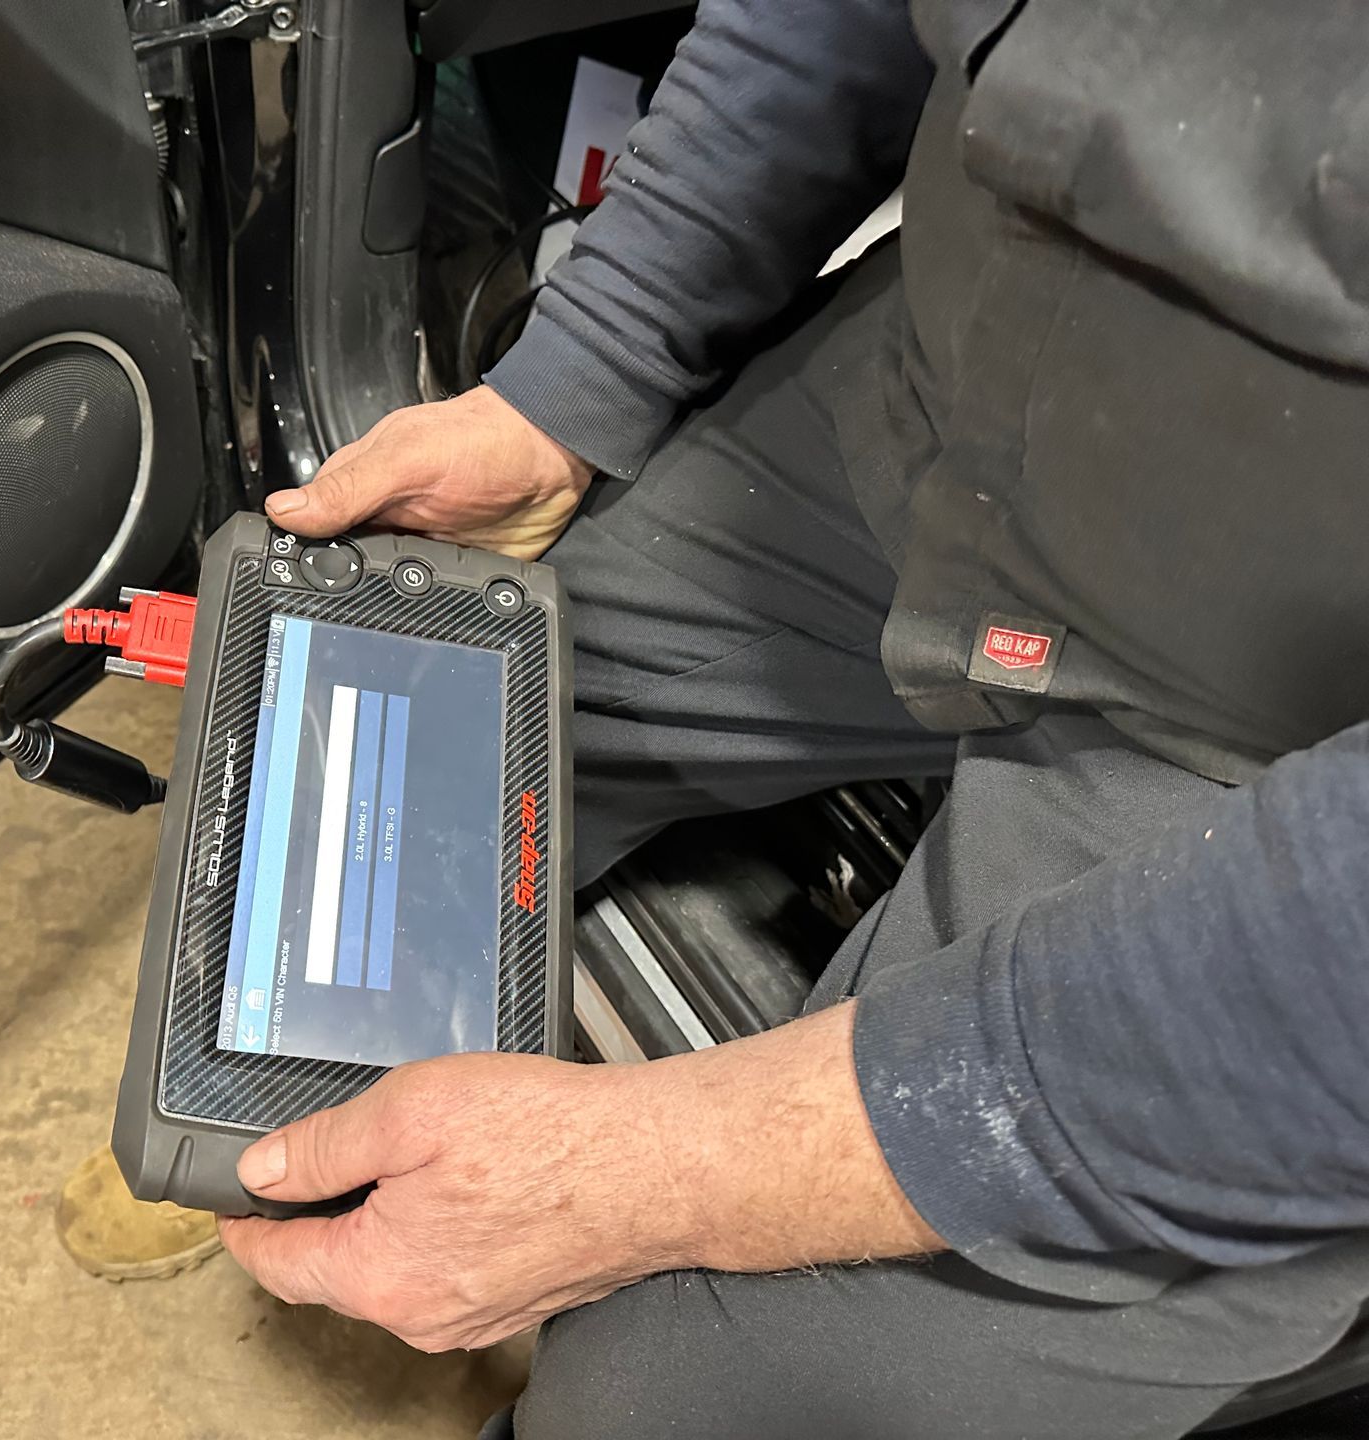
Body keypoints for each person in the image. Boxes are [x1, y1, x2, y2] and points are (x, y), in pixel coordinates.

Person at [217, 1, 1369, 1434]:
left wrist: (663, 1176)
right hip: (943, 406)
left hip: (1277, 736)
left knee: (660, 1402)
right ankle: (284, 1129)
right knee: (400, 694)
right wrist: (577, 380)